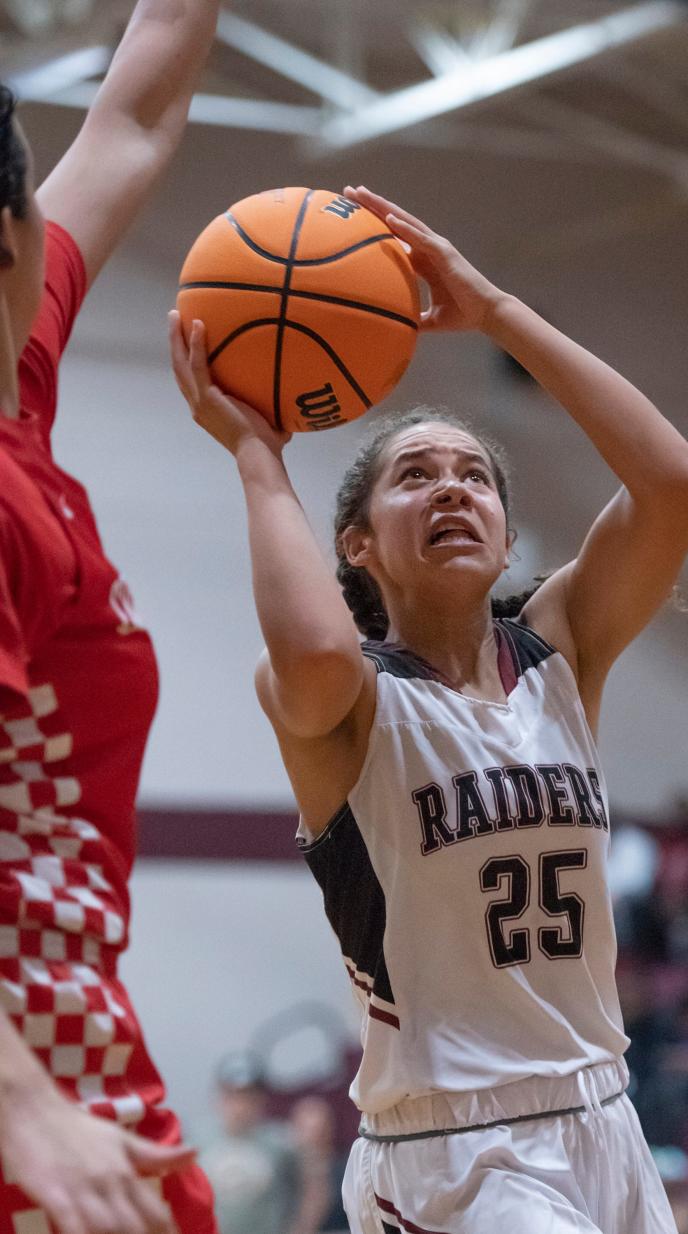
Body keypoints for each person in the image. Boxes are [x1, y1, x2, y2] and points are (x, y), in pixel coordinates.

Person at [170, 183, 688, 1232]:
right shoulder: (344, 698)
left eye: (476, 478)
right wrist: (258, 456)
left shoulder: (562, 648)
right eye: (415, 476)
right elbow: (318, 644)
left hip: (602, 1108)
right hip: (453, 1145)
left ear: (507, 535)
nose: (453, 489)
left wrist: (496, 307)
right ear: (357, 545)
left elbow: (672, 483)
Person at [0, 4, 221, 1231]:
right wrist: (26, 1108)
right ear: (12, 233)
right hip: (36, 1072)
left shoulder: (16, 382)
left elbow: (133, 116)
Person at [198, 1054, 333, 1234]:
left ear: (260, 1099)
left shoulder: (281, 1141)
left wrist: (302, 1227)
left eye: (247, 1097)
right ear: (219, 1097)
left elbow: (315, 1187)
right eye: (232, 1095)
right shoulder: (198, 1140)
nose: (239, 1105)